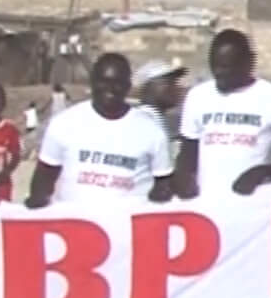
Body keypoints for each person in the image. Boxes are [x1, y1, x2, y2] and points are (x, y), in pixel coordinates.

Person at [27, 53, 175, 206]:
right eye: (103, 82)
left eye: (117, 83)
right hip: (74, 225)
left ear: (128, 87)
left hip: (128, 226)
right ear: (92, 83)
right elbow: (43, 179)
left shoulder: (151, 131)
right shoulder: (63, 123)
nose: (110, 89)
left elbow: (163, 185)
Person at [174, 30, 271, 199]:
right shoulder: (197, 96)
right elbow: (187, 154)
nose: (219, 72)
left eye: (226, 67)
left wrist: (263, 172)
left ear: (248, 63)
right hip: (204, 206)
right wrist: (182, 177)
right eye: (214, 65)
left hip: (252, 207)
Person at [135, 59, 189, 144]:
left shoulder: (159, 121)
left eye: (175, 82)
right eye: (168, 83)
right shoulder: (141, 123)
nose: (176, 88)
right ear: (149, 88)